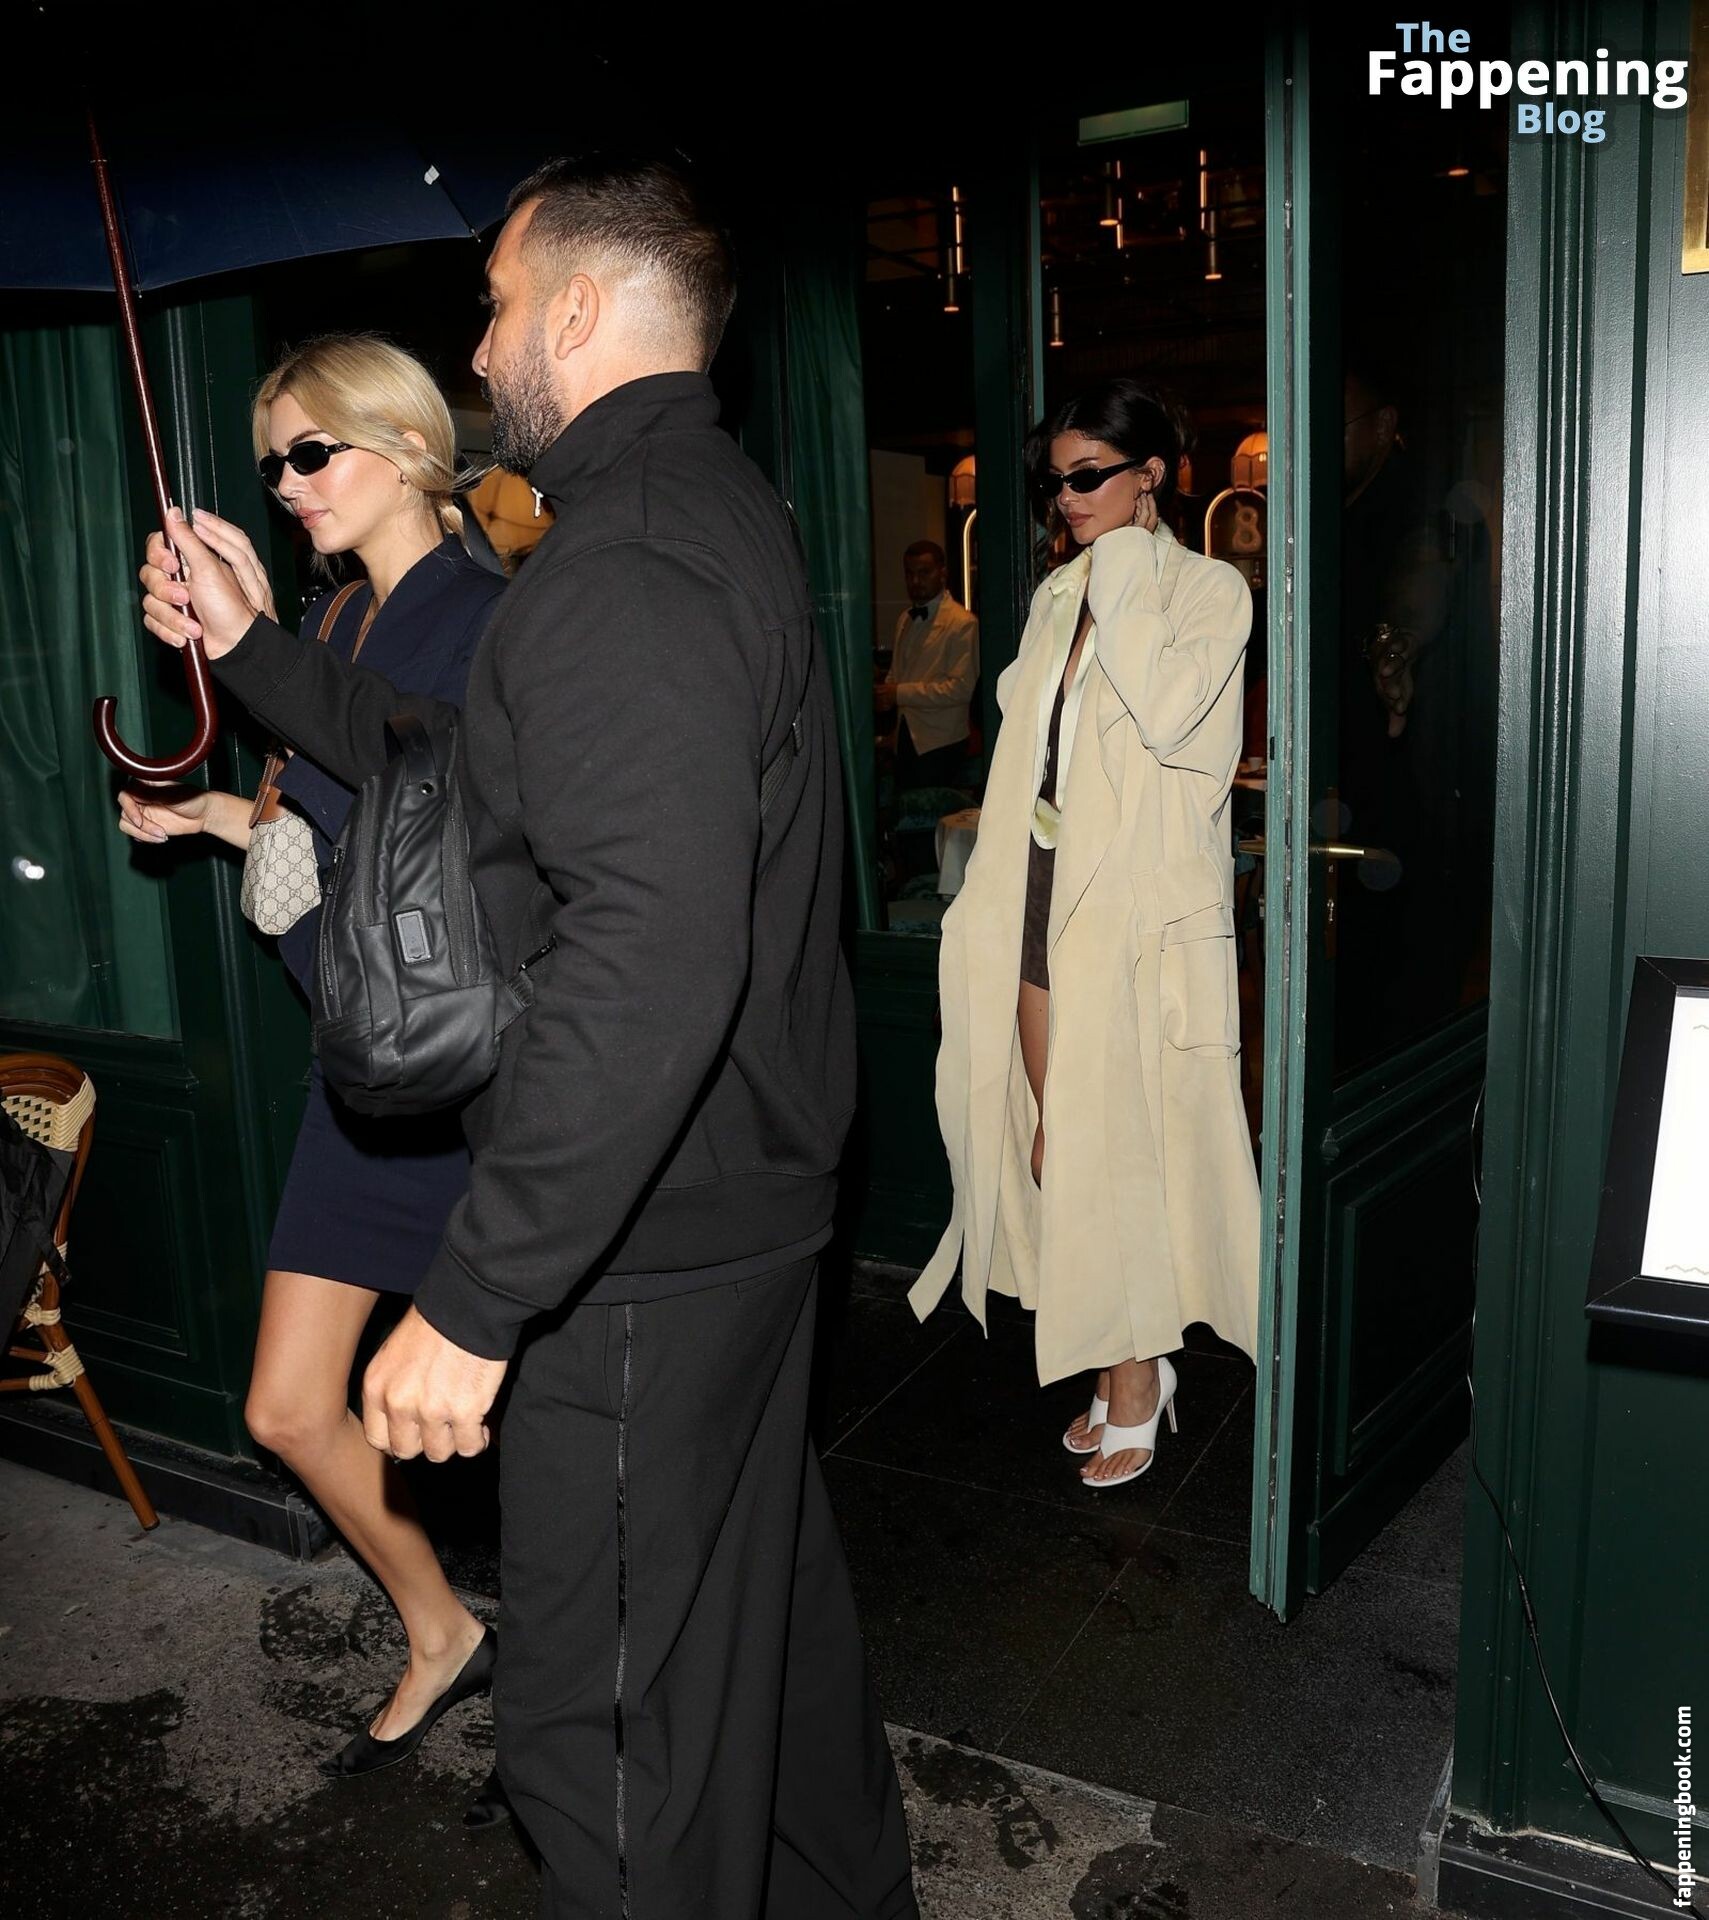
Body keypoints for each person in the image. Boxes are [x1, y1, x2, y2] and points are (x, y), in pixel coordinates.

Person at [138, 156, 916, 1920]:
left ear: (574, 307)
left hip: (646, 1245)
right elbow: (456, 758)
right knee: (765, 1658)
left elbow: (648, 958)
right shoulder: (691, 511)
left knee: (607, 1735)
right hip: (734, 1210)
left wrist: (477, 1299)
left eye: (494, 307)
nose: (480, 350)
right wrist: (253, 648)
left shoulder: (624, 560)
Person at [118, 336, 504, 1775]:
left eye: (310, 452)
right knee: (288, 1407)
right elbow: (326, 830)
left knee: (531, 1414)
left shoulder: (482, 620)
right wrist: (215, 816)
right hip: (358, 1075)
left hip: (460, 1081)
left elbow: (435, 832)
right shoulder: (336, 618)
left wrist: (247, 648)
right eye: (272, 461)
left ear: (404, 446)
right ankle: (444, 1627)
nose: (286, 484)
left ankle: (599, 1694)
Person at [910, 378, 1259, 1488]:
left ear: (1150, 475)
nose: (1066, 498)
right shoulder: (1060, 593)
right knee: (1057, 1144)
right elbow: (1028, 739)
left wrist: (1123, 567)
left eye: (1089, 476)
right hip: (1039, 893)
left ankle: (1132, 1372)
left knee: (1115, 1145)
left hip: (1135, 916)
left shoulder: (1208, 593)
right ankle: (1129, 1351)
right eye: (1055, 481)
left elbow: (1166, 714)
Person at [877, 539, 979, 789]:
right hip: (905, 739)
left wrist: (898, 693)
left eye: (924, 573)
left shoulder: (962, 623)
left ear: (942, 574)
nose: (915, 581)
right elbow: (897, 674)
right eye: (909, 573)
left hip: (942, 744)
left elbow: (960, 689)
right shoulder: (904, 619)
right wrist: (885, 692)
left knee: (932, 811)